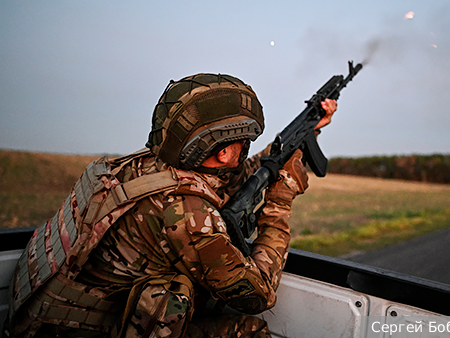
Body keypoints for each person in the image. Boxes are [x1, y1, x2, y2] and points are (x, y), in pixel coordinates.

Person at [4, 73, 337, 338]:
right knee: (250, 331)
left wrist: (303, 134)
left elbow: (235, 174)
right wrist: (280, 200)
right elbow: (257, 295)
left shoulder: (143, 166)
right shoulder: (188, 216)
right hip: (80, 331)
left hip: (40, 319)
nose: (246, 150)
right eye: (243, 142)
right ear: (221, 152)